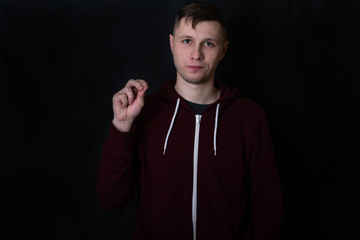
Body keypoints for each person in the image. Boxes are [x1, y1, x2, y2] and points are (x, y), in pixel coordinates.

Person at [96, 2, 282, 240]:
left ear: (223, 50)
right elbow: (111, 199)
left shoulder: (250, 117)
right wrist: (122, 128)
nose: (196, 54)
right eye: (187, 41)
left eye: (208, 43)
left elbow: (268, 207)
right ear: (172, 44)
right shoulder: (142, 112)